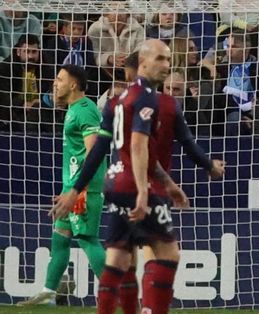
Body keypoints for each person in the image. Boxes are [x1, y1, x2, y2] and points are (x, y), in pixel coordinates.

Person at [51, 41, 223, 314]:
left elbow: (99, 151)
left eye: (168, 60)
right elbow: (141, 145)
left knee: (120, 258)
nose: (167, 65)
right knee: (166, 253)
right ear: (142, 64)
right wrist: (147, 189)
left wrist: (75, 188)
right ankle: (151, 310)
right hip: (141, 185)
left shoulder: (115, 102)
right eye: (160, 59)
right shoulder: (154, 101)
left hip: (116, 183)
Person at [25, 64, 108, 304]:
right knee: (60, 237)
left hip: (83, 189)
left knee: (87, 239)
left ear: (73, 85)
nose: (55, 83)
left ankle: (120, 294)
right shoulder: (73, 109)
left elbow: (94, 152)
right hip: (71, 186)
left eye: (60, 79)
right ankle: (48, 293)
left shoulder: (85, 110)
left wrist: (77, 189)